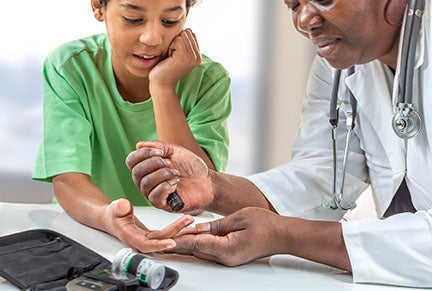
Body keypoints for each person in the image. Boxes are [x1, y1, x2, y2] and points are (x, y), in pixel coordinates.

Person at [125, 0, 432, 287]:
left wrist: (287, 236)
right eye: (294, 5)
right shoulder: (341, 63)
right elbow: (323, 175)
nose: (304, 20)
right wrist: (215, 189)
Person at [32, 0, 231, 254]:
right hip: (88, 233)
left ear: (186, 14)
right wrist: (112, 220)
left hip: (177, 243)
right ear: (98, 7)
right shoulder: (70, 67)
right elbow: (68, 180)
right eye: (133, 19)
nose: (152, 38)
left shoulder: (208, 80)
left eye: (170, 21)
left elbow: (195, 193)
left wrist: (162, 86)